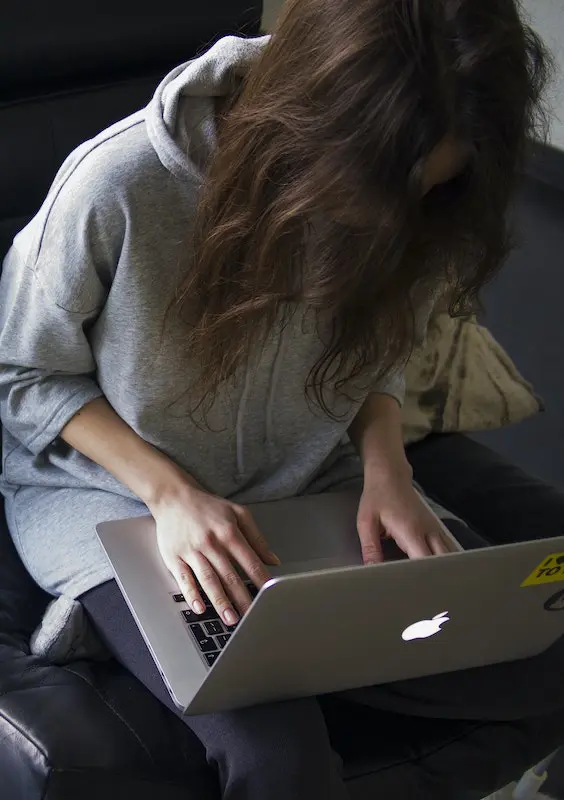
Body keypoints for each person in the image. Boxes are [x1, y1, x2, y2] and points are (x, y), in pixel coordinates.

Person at [0, 1, 559, 797]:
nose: (397, 215)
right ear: (315, 122)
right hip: (115, 497)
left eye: (427, 186)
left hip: (310, 483)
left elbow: (380, 351)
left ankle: (280, 653)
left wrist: (388, 469)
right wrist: (173, 496)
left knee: (537, 654)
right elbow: (20, 374)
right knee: (278, 761)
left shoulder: (423, 195)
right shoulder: (118, 184)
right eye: (381, 186)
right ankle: (142, 623)